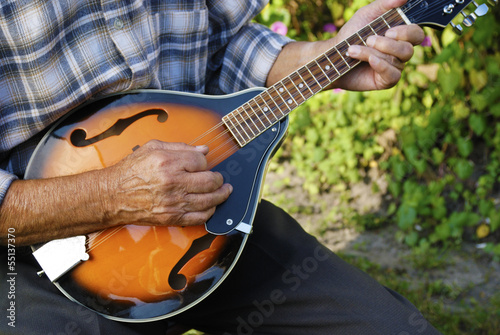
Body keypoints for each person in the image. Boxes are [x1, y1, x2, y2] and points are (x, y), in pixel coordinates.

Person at [0, 0, 441, 334]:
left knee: (389, 326)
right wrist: (112, 196)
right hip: (31, 254)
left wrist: (332, 57)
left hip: (203, 228)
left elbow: (224, 44)